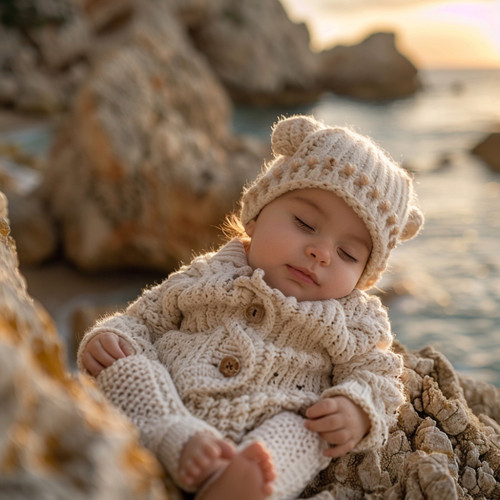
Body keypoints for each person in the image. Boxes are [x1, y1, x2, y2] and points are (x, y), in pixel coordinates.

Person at [78, 115, 424, 500]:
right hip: (170, 400)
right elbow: (144, 319)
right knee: (128, 367)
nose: (321, 253)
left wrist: (357, 409)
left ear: (364, 276)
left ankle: (250, 485)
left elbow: (379, 374)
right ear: (256, 217)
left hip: (270, 424)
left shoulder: (355, 320)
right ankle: (177, 438)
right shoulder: (208, 273)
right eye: (305, 223)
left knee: (308, 434)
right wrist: (114, 336)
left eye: (347, 253)